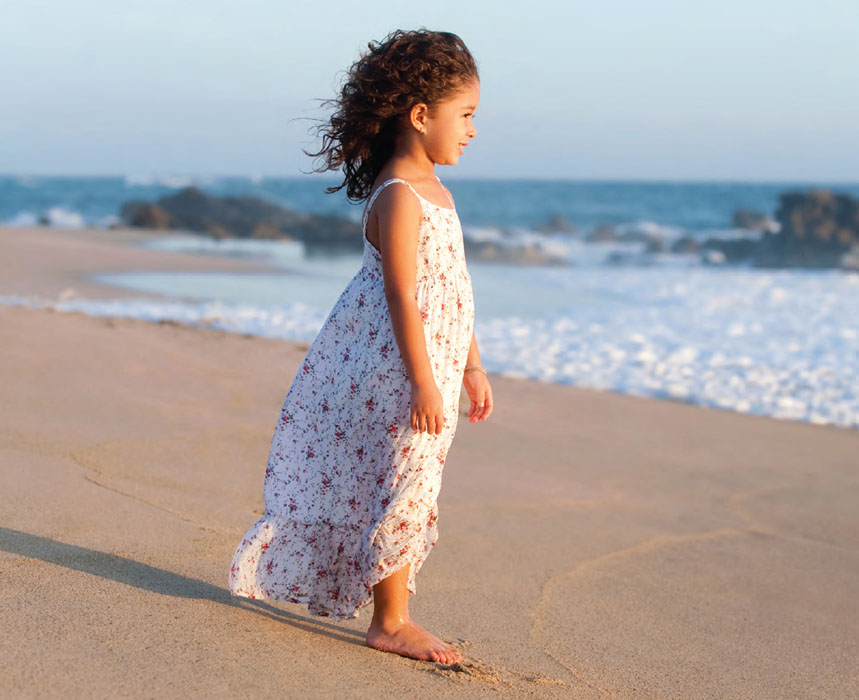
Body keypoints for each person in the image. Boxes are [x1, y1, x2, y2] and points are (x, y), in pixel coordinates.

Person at [228, 28, 492, 666]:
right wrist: (428, 381)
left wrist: (473, 364)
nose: (473, 131)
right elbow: (404, 297)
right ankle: (391, 621)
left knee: (411, 481)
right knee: (403, 482)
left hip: (427, 366)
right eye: (466, 116)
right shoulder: (399, 196)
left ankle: (392, 613)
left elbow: (454, 286)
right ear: (421, 115)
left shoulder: (439, 193)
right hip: (397, 372)